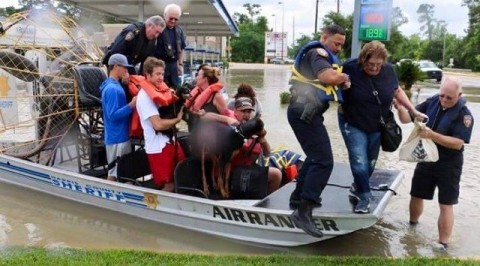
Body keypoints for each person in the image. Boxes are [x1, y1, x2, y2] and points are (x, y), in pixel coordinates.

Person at [339, 41, 427, 214]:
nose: (374, 68)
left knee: (370, 163)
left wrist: (413, 110)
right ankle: (364, 196)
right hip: (353, 122)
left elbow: (397, 90)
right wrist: (341, 87)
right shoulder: (349, 67)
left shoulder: (388, 70)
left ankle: (358, 186)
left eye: (379, 64)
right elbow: (330, 82)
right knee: (359, 161)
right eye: (370, 64)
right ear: (362, 60)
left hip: (377, 124)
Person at [287, 24, 350, 237]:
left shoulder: (322, 54)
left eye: (342, 45)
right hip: (303, 112)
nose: (339, 48)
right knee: (324, 160)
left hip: (305, 111)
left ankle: (297, 198)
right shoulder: (318, 53)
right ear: (324, 37)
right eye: (336, 43)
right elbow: (328, 78)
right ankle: (303, 211)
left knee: (315, 157)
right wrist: (344, 77)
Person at [397, 76, 473, 248]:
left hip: (449, 163)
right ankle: (412, 227)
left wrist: (432, 135)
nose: (444, 100)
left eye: (449, 97)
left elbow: (458, 143)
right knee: (416, 194)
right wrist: (400, 108)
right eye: (442, 95)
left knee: (446, 203)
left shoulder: (465, 115)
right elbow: (407, 118)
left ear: (459, 96)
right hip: (426, 158)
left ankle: (443, 244)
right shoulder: (432, 102)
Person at [199, 97, 281, 195]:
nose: (246, 115)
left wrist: (263, 140)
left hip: (248, 169)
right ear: (235, 112)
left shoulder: (253, 127)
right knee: (276, 174)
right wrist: (226, 119)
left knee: (278, 171)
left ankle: (265, 200)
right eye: (243, 111)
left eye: (249, 112)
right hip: (232, 172)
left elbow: (267, 154)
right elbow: (204, 116)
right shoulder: (230, 120)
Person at [136, 57, 185, 191]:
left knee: (181, 177)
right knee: (168, 184)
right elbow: (157, 125)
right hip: (158, 146)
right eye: (157, 74)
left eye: (162, 74)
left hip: (170, 141)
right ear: (147, 74)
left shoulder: (160, 91)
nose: (161, 77)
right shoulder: (144, 97)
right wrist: (177, 119)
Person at [100, 54, 137, 181]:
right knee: (114, 173)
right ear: (116, 67)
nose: (127, 70)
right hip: (117, 137)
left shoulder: (112, 85)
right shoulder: (112, 89)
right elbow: (112, 115)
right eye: (124, 67)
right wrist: (131, 105)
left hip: (117, 136)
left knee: (115, 171)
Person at [185, 65, 230, 130]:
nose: (196, 77)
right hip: (194, 135)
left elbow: (227, 118)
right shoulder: (196, 94)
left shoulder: (217, 96)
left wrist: (207, 115)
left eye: (198, 75)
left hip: (212, 136)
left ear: (205, 78)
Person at [154, 4, 187, 88]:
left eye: (176, 19)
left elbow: (181, 49)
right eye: (171, 18)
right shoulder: (157, 28)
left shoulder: (179, 31)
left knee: (175, 89)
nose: (173, 21)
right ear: (164, 15)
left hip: (173, 66)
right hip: (159, 65)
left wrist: (180, 64)